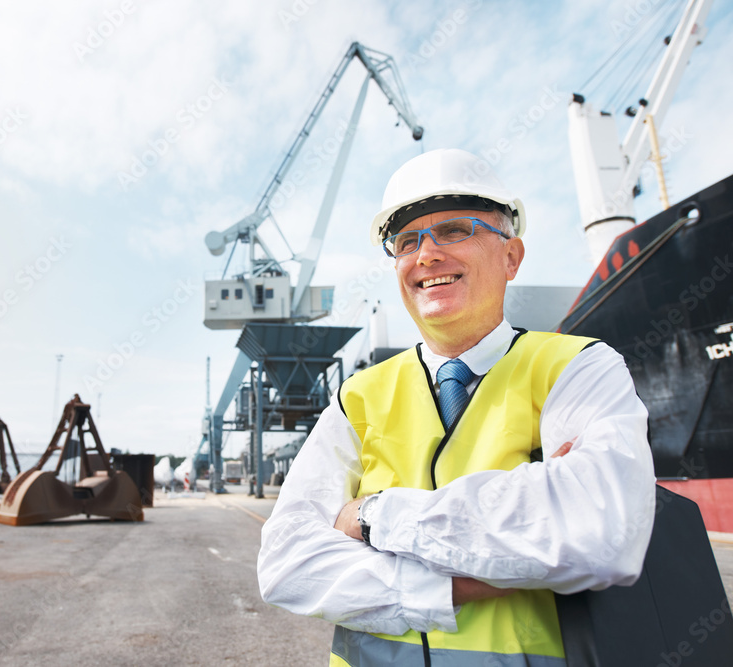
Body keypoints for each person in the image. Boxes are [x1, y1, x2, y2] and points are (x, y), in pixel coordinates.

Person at [256, 148, 656, 666]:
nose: (426, 256)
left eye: (454, 230)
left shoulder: (577, 367)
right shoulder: (357, 398)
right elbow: (286, 564)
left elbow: (600, 532)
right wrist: (455, 581)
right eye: (406, 242)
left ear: (511, 256)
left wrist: (372, 517)